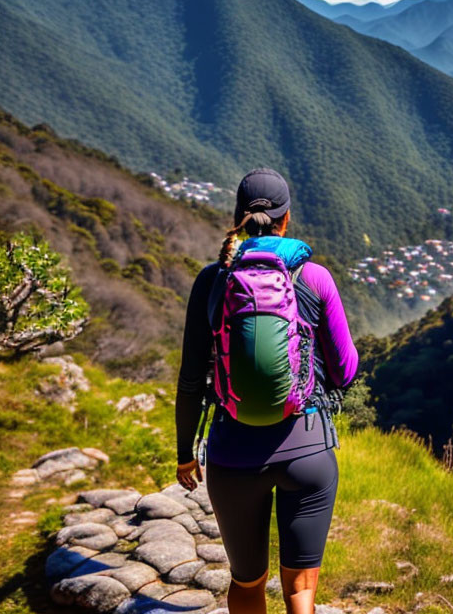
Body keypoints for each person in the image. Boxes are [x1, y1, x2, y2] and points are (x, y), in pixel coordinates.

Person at [175, 168, 359, 614]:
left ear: (238, 217)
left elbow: (191, 379)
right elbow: (347, 370)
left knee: (247, 582)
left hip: (232, 457)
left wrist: (185, 453)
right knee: (299, 591)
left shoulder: (211, 281)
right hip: (307, 451)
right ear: (286, 218)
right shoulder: (314, 278)